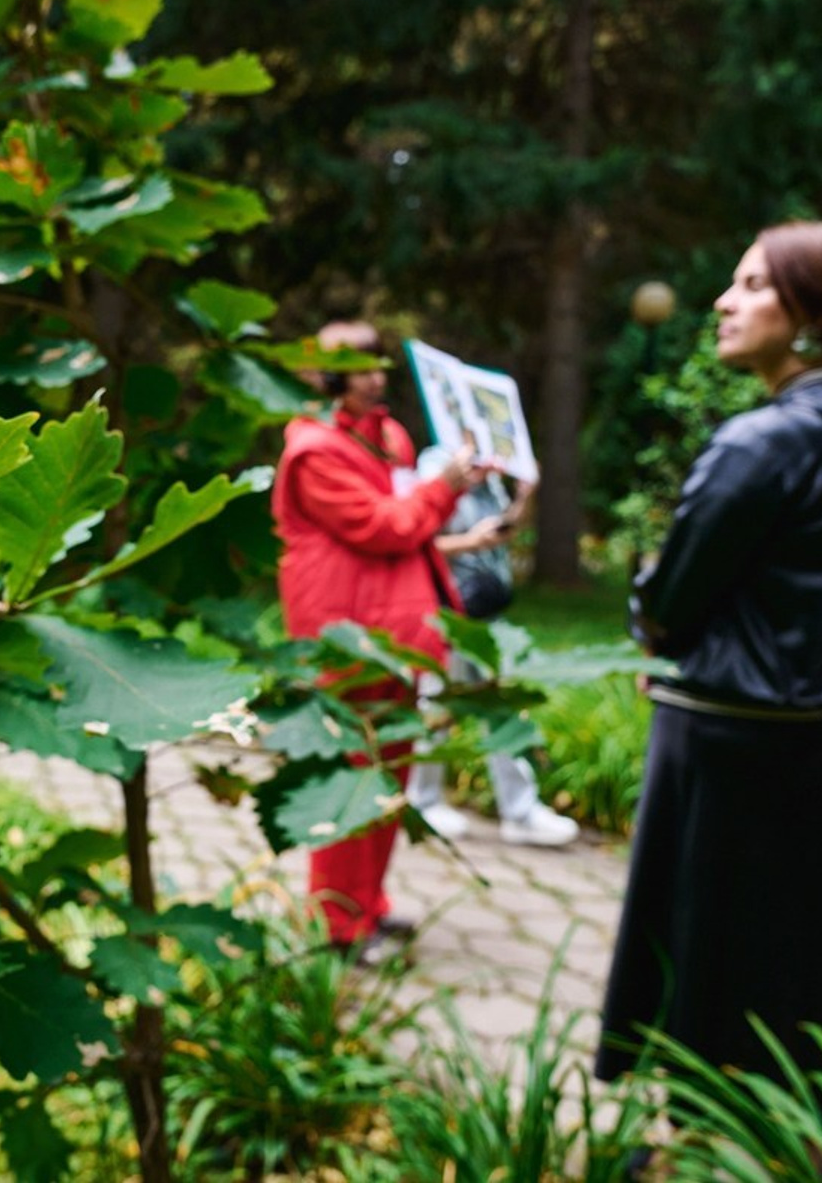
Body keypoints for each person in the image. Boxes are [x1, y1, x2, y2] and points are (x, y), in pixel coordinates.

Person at [596, 221, 822, 1094]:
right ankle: (773, 1117)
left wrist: (647, 606)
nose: (726, 302)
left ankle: (696, 1121)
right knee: (791, 944)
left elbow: (670, 603)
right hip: (802, 735)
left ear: (807, 312)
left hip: (729, 737)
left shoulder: (761, 443)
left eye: (755, 284)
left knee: (705, 943)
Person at [270, 320, 483, 955]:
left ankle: (370, 906)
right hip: (345, 640)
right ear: (327, 376)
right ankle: (337, 926)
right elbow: (384, 526)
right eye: (358, 368)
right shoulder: (313, 451)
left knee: (391, 777)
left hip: (397, 632)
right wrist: (445, 490)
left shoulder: (388, 434)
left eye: (377, 366)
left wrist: (464, 522)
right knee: (349, 780)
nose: (374, 379)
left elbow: (409, 523)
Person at [406, 452, 580, 847]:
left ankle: (520, 811)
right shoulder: (438, 466)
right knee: (437, 706)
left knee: (502, 706)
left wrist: (525, 495)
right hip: (448, 612)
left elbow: (504, 530)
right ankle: (421, 803)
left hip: (488, 613)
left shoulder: (492, 473)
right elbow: (416, 538)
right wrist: (471, 542)